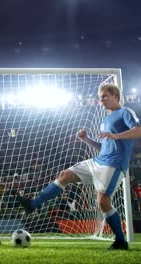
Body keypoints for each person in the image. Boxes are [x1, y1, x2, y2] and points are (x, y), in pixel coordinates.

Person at [18, 84, 141, 250]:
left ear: (116, 96)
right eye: (100, 97)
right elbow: (104, 147)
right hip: (98, 160)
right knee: (64, 175)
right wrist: (86, 139)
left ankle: (120, 241)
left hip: (113, 164)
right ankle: (33, 204)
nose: (101, 100)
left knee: (102, 201)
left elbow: (138, 130)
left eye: (105, 96)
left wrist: (116, 135)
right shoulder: (105, 120)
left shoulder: (125, 112)